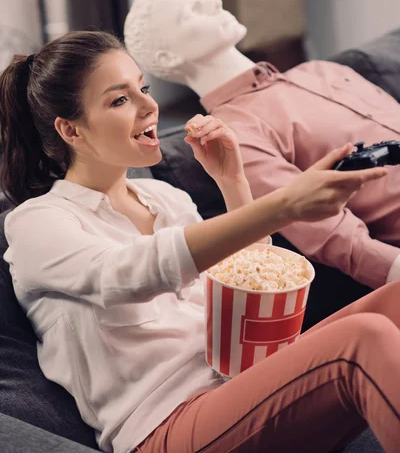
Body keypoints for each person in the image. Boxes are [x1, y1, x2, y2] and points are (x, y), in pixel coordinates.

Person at [0, 29, 398, 453]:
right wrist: (284, 205)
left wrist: (233, 182)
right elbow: (125, 274)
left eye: (144, 88)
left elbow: (252, 296)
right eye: (120, 99)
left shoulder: (166, 199)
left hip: (245, 386)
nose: (150, 106)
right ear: (71, 131)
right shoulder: (37, 222)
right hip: (166, 426)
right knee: (362, 338)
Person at [124, 0, 400, 296]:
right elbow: (336, 237)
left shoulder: (322, 71)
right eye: (192, 10)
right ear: (168, 57)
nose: (216, 3)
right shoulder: (233, 134)